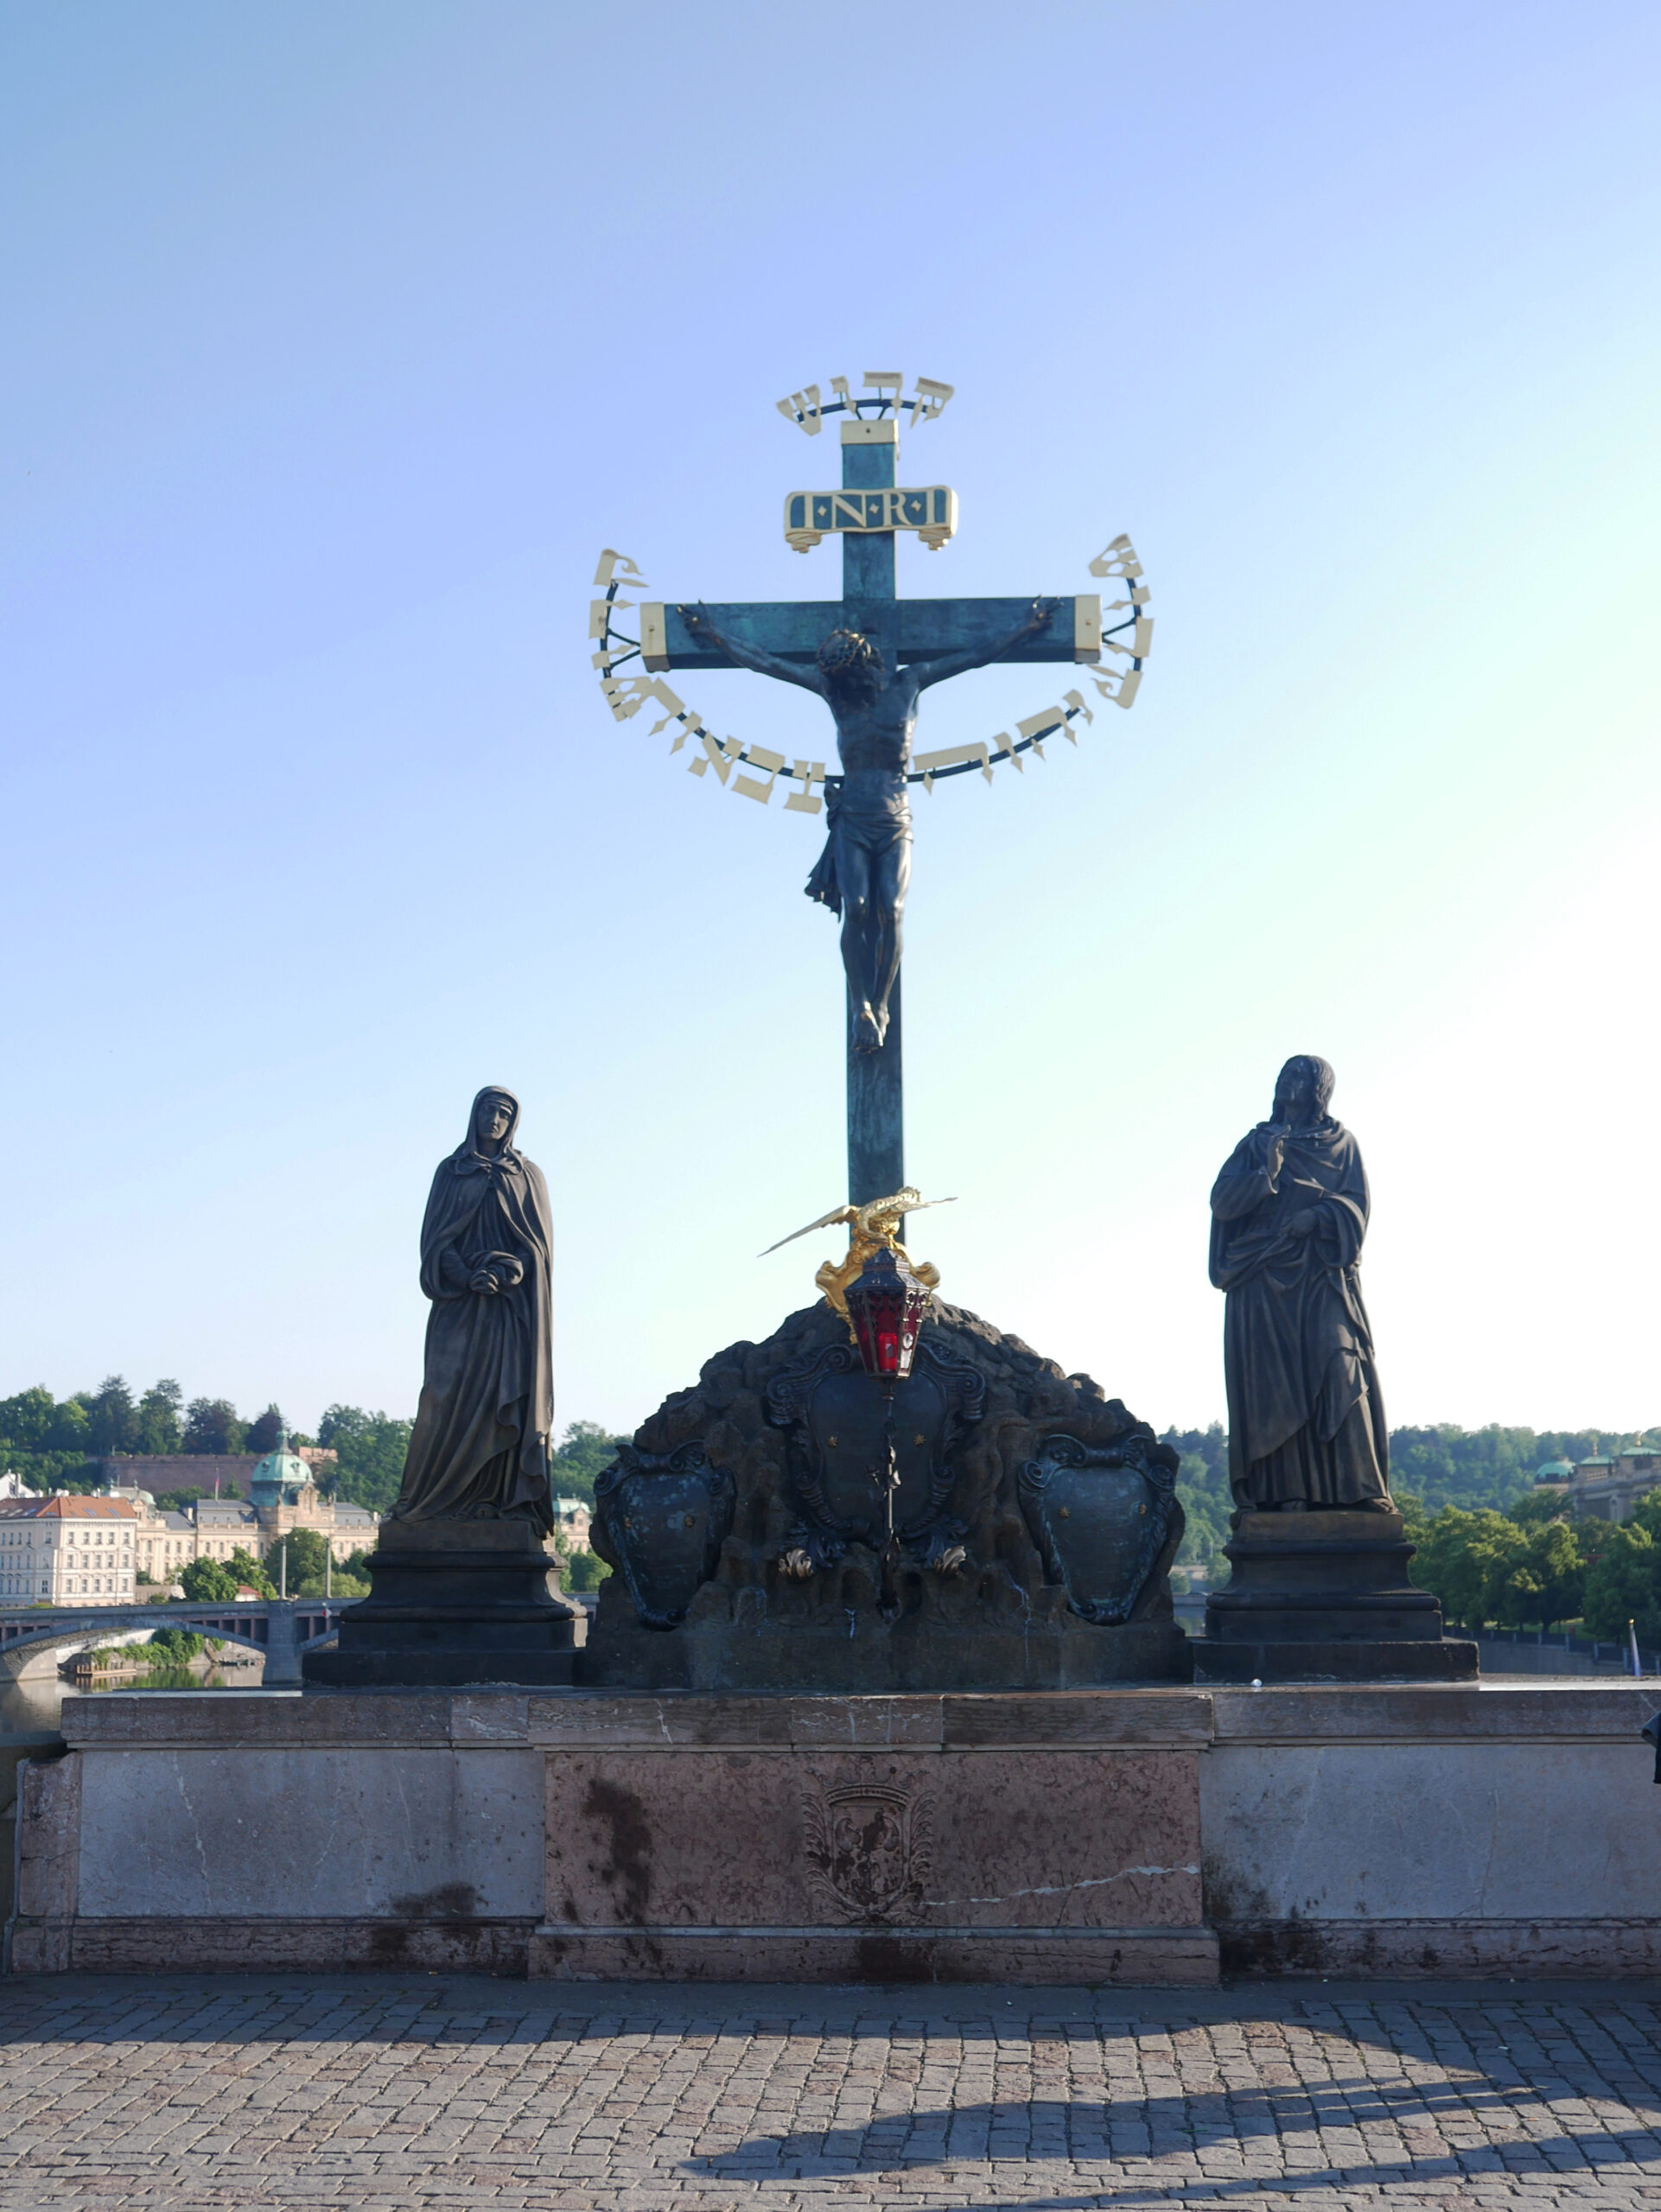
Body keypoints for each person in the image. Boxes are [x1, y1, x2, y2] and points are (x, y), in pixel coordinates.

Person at [678, 600, 1056, 1052]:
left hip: (895, 816)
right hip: (853, 817)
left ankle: (881, 1004)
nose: (845, 683)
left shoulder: (909, 683)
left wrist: (1024, 628)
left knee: (891, 909)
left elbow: (972, 657)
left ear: (867, 665)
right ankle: (860, 1005)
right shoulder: (837, 693)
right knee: (857, 908)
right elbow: (769, 665)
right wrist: (717, 638)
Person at [1208, 1056, 1391, 1514]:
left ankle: (1361, 1489)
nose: (1288, 1082)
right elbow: (1223, 1204)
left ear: (1319, 1090)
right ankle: (1285, 1493)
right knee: (1276, 1387)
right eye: (1284, 1075)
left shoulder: (1341, 1143)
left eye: (1300, 1077)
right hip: (1263, 1279)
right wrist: (1265, 1171)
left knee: (1341, 1366)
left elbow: (1357, 1208)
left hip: (1322, 1274)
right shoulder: (1256, 1143)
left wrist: (1318, 1216)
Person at [391, 1087, 555, 1529]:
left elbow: (537, 1251)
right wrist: (466, 1276)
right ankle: (426, 1500)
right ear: (474, 1115)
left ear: (513, 1122)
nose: (495, 1119)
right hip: (458, 1304)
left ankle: (497, 1501)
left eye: (504, 1113)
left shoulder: (526, 1175)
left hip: (508, 1314)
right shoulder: (451, 1172)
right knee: (441, 1397)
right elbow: (435, 1242)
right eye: (488, 1109)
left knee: (504, 1403)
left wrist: (508, 1273)